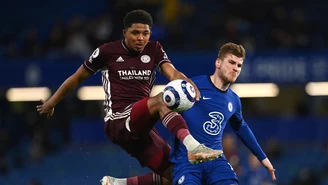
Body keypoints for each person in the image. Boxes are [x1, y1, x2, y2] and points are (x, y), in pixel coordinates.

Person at [36, 9, 222, 185]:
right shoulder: (107, 52)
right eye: (135, 33)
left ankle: (118, 183)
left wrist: (187, 83)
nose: (141, 38)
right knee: (162, 99)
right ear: (124, 32)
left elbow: (172, 74)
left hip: (142, 126)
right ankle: (194, 146)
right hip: (119, 121)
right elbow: (77, 78)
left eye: (146, 33)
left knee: (176, 176)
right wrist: (52, 102)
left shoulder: (154, 49)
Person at [101, 42, 276, 185]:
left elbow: (241, 128)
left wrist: (263, 158)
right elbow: (164, 104)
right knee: (170, 176)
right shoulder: (190, 87)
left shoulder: (234, 100)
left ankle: (118, 183)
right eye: (231, 62)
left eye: (239, 65)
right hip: (186, 161)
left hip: (216, 160)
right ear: (218, 62)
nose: (235, 68)